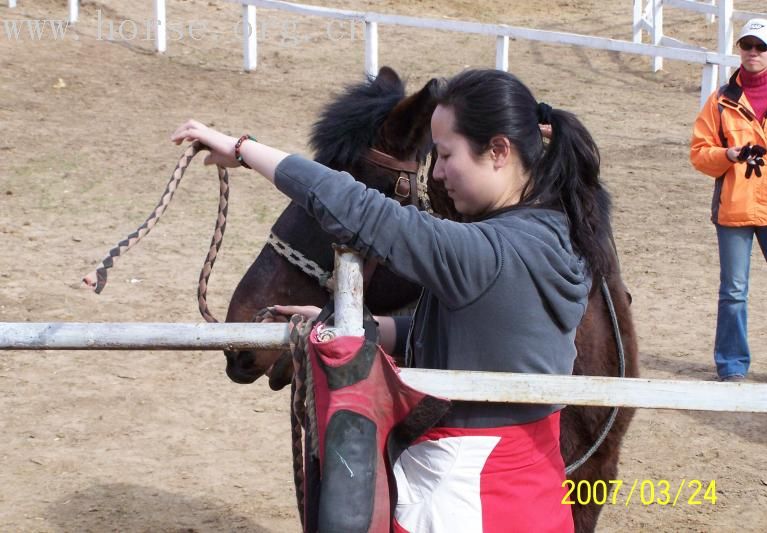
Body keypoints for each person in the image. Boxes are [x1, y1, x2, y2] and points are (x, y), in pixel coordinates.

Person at [172, 69, 614, 532]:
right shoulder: (555, 232)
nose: (438, 173)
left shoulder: (488, 252)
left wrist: (243, 149)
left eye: (445, 155)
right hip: (530, 491)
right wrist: (362, 327)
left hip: (462, 501)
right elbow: (488, 336)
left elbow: (359, 209)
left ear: (499, 151)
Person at [690, 18, 767, 384]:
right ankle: (732, 367)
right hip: (734, 210)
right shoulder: (720, 101)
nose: (753, 53)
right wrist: (730, 155)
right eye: (747, 45)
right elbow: (699, 154)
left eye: (760, 46)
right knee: (733, 293)